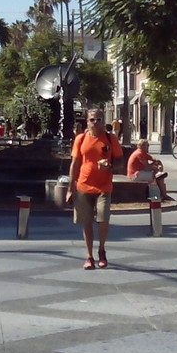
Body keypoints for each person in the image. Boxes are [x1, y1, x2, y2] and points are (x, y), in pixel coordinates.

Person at [68, 108, 121, 269]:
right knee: (87, 222)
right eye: (92, 119)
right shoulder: (80, 139)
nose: (95, 122)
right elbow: (75, 164)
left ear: (103, 121)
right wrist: (71, 188)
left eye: (99, 119)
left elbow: (120, 162)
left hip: (104, 187)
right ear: (87, 121)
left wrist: (110, 166)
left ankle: (102, 250)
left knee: (103, 219)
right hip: (83, 186)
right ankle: (89, 256)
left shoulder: (110, 139)